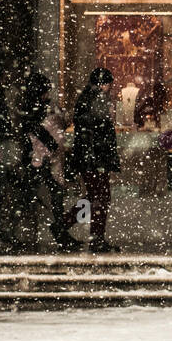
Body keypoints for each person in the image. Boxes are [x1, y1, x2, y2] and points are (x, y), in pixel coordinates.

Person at [22, 72, 80, 251]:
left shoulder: (39, 108)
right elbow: (40, 130)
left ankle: (59, 230)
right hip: (45, 158)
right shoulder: (40, 109)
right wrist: (52, 145)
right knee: (54, 196)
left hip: (45, 157)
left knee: (52, 196)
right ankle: (59, 231)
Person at [70, 68, 120, 253]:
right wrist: (100, 159)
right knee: (100, 198)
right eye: (108, 84)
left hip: (90, 158)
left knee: (95, 197)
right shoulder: (97, 99)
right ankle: (94, 236)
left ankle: (85, 231)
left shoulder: (87, 98)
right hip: (95, 158)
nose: (109, 88)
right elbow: (98, 131)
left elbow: (88, 130)